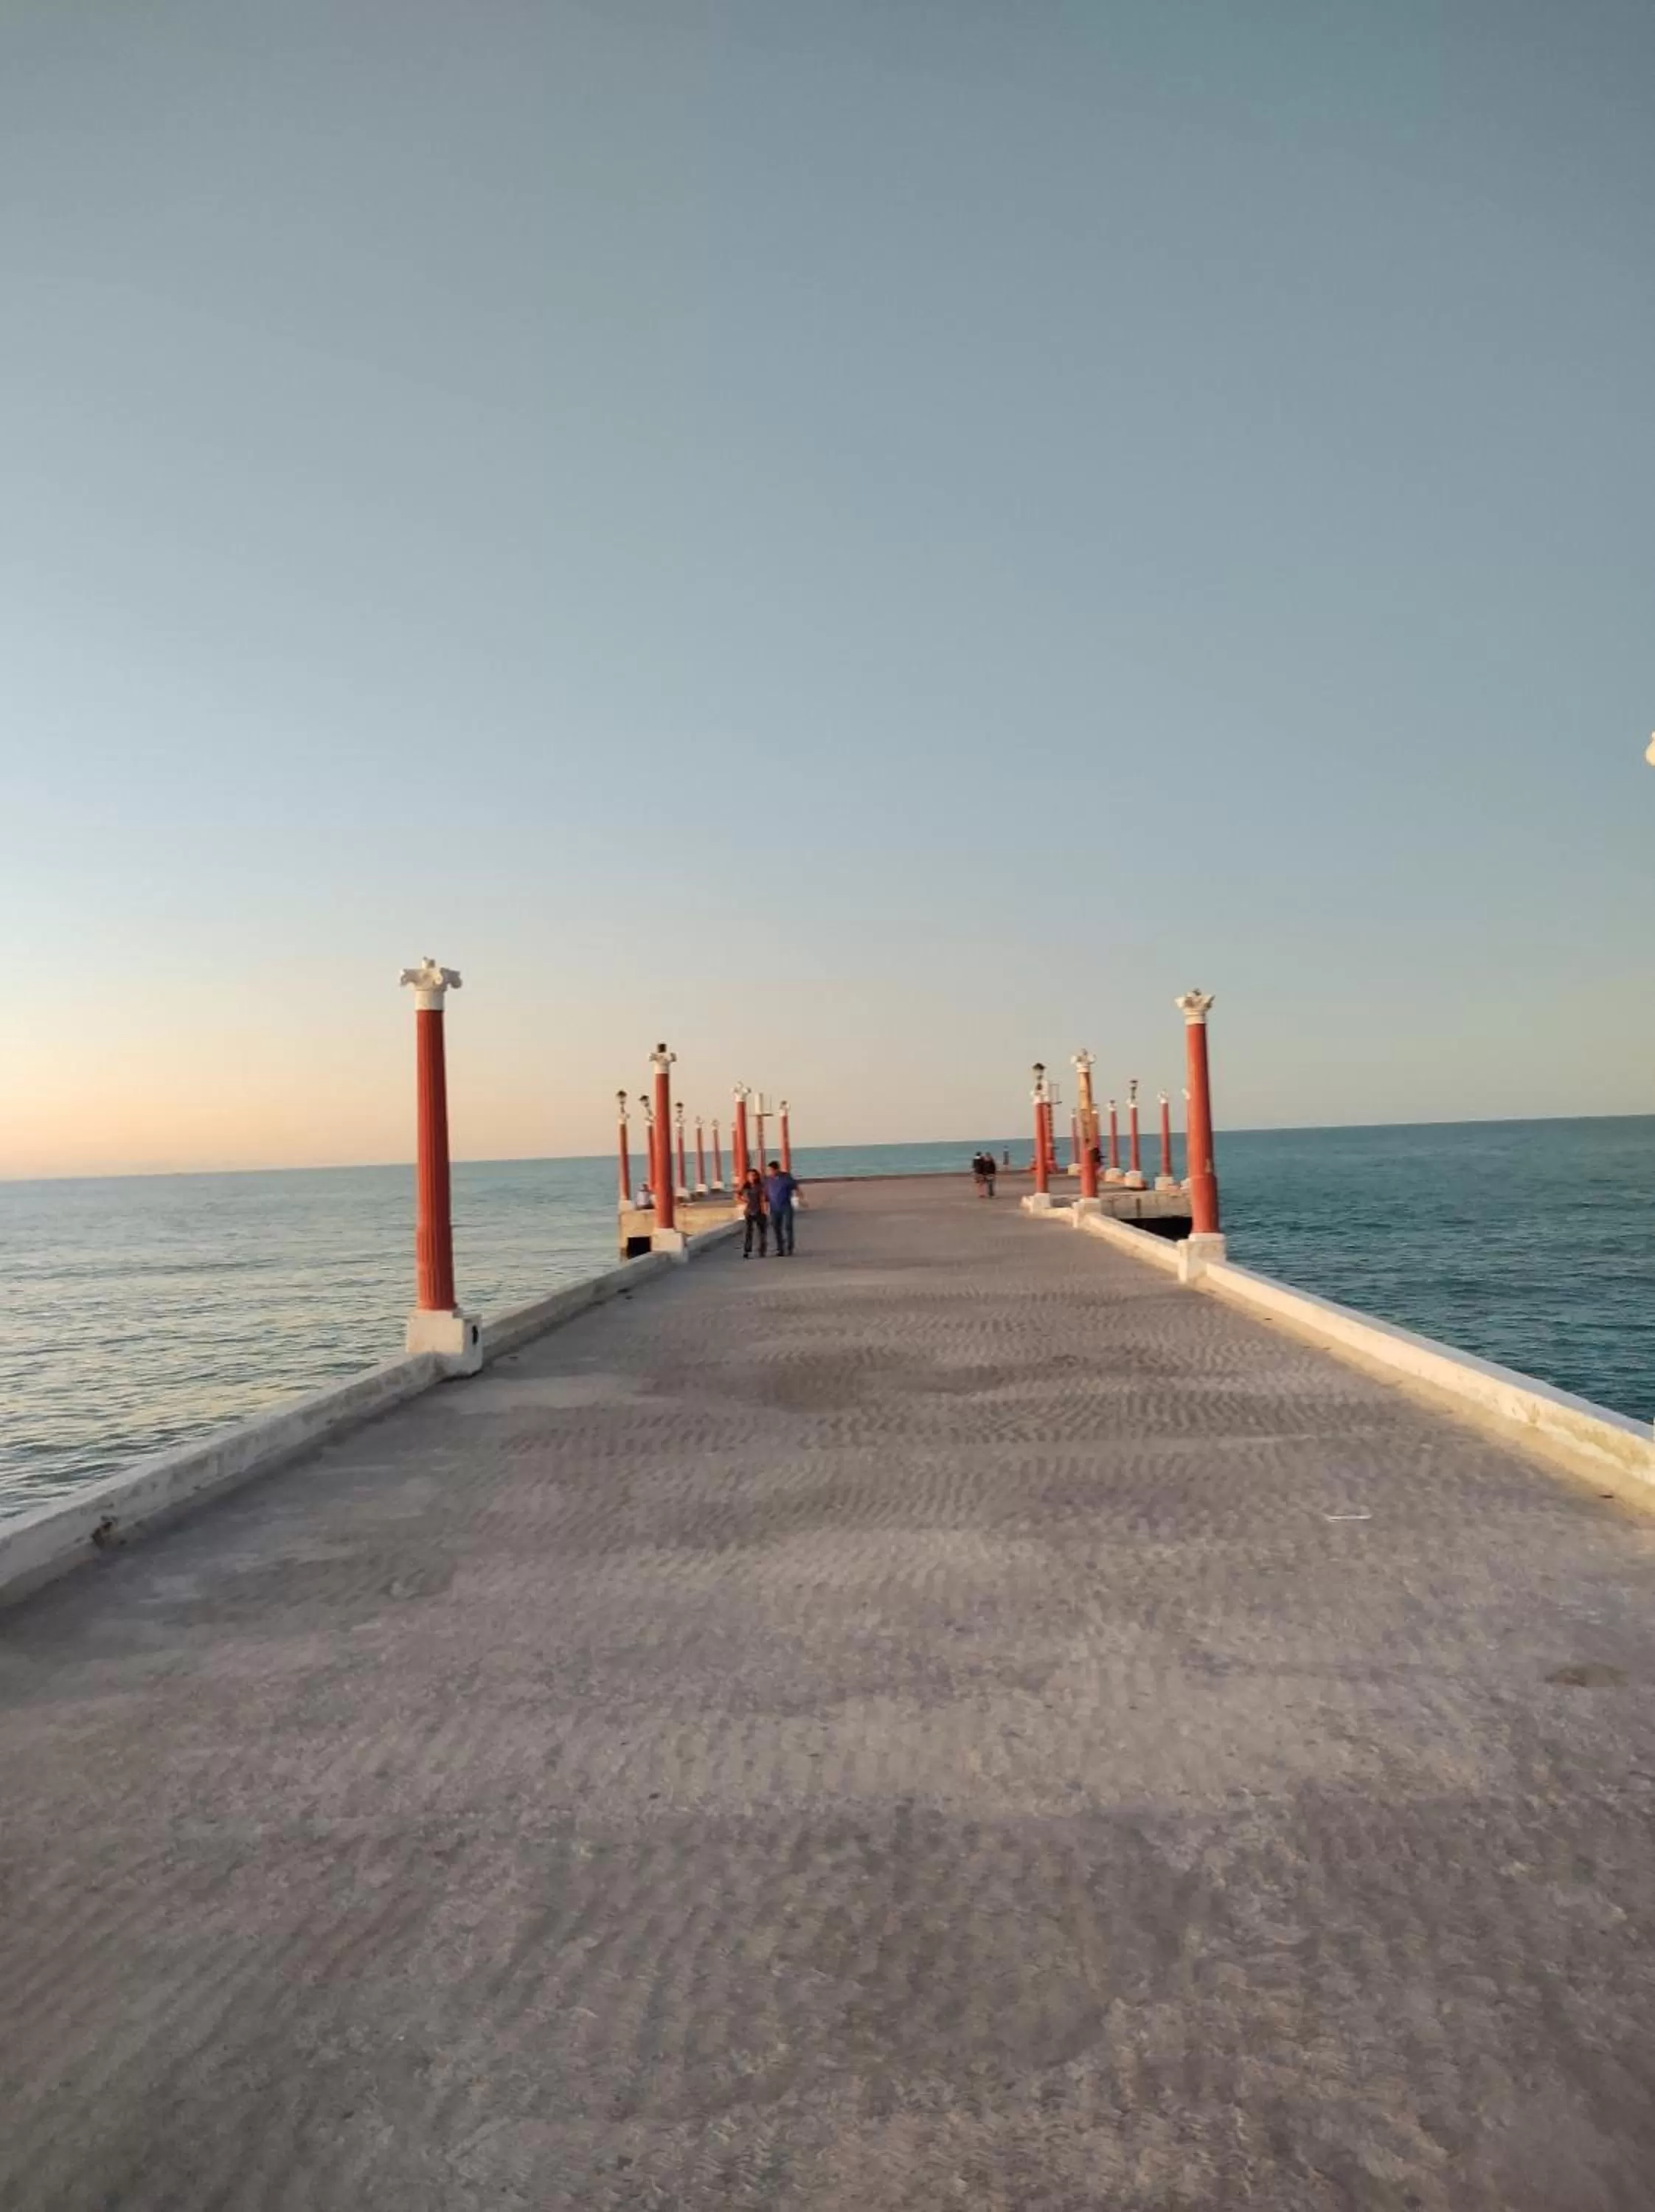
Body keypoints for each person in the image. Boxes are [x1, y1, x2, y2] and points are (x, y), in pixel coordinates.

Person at [764, 1158, 799, 1255]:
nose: (770, 1172)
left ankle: (790, 1247)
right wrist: (765, 1207)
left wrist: (800, 1199)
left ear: (777, 1169)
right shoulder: (767, 1180)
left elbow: (796, 1187)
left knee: (788, 1226)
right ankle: (780, 1249)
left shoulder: (786, 1177)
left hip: (786, 1206)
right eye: (769, 1170)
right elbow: (766, 1195)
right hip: (774, 1208)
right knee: (776, 1228)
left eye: (771, 1170)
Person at [739, 1166, 768, 1258]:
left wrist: (764, 1210)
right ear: (747, 1177)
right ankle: (747, 1250)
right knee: (748, 1232)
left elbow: (763, 1198)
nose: (752, 1177)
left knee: (761, 1232)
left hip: (759, 1211)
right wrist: (744, 1200)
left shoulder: (760, 1186)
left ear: (756, 1176)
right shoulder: (745, 1186)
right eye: (750, 1175)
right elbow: (738, 1195)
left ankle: (762, 1250)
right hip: (749, 1211)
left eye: (753, 1175)